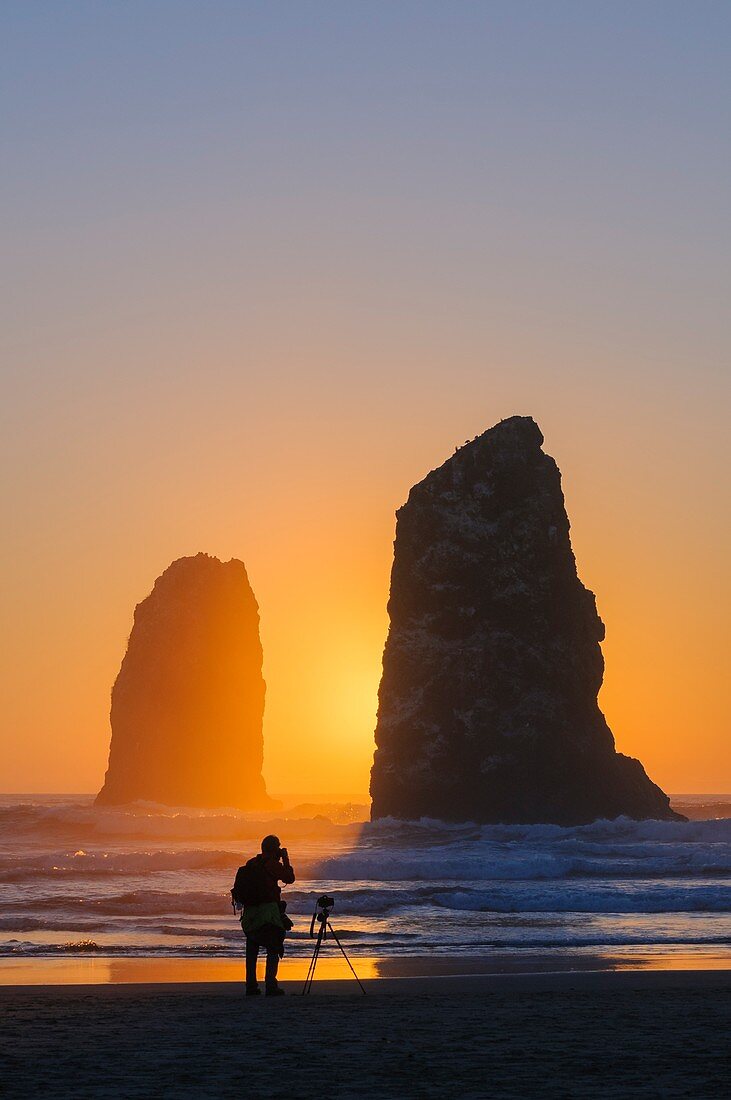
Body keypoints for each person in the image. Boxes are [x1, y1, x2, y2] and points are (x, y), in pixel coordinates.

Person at [239, 834, 295, 997]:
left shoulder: (251, 863)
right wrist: (286, 859)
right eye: (278, 847)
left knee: (252, 949)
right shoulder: (271, 865)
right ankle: (271, 985)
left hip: (250, 914)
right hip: (268, 913)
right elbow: (289, 878)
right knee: (274, 946)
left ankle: (251, 986)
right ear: (274, 849)